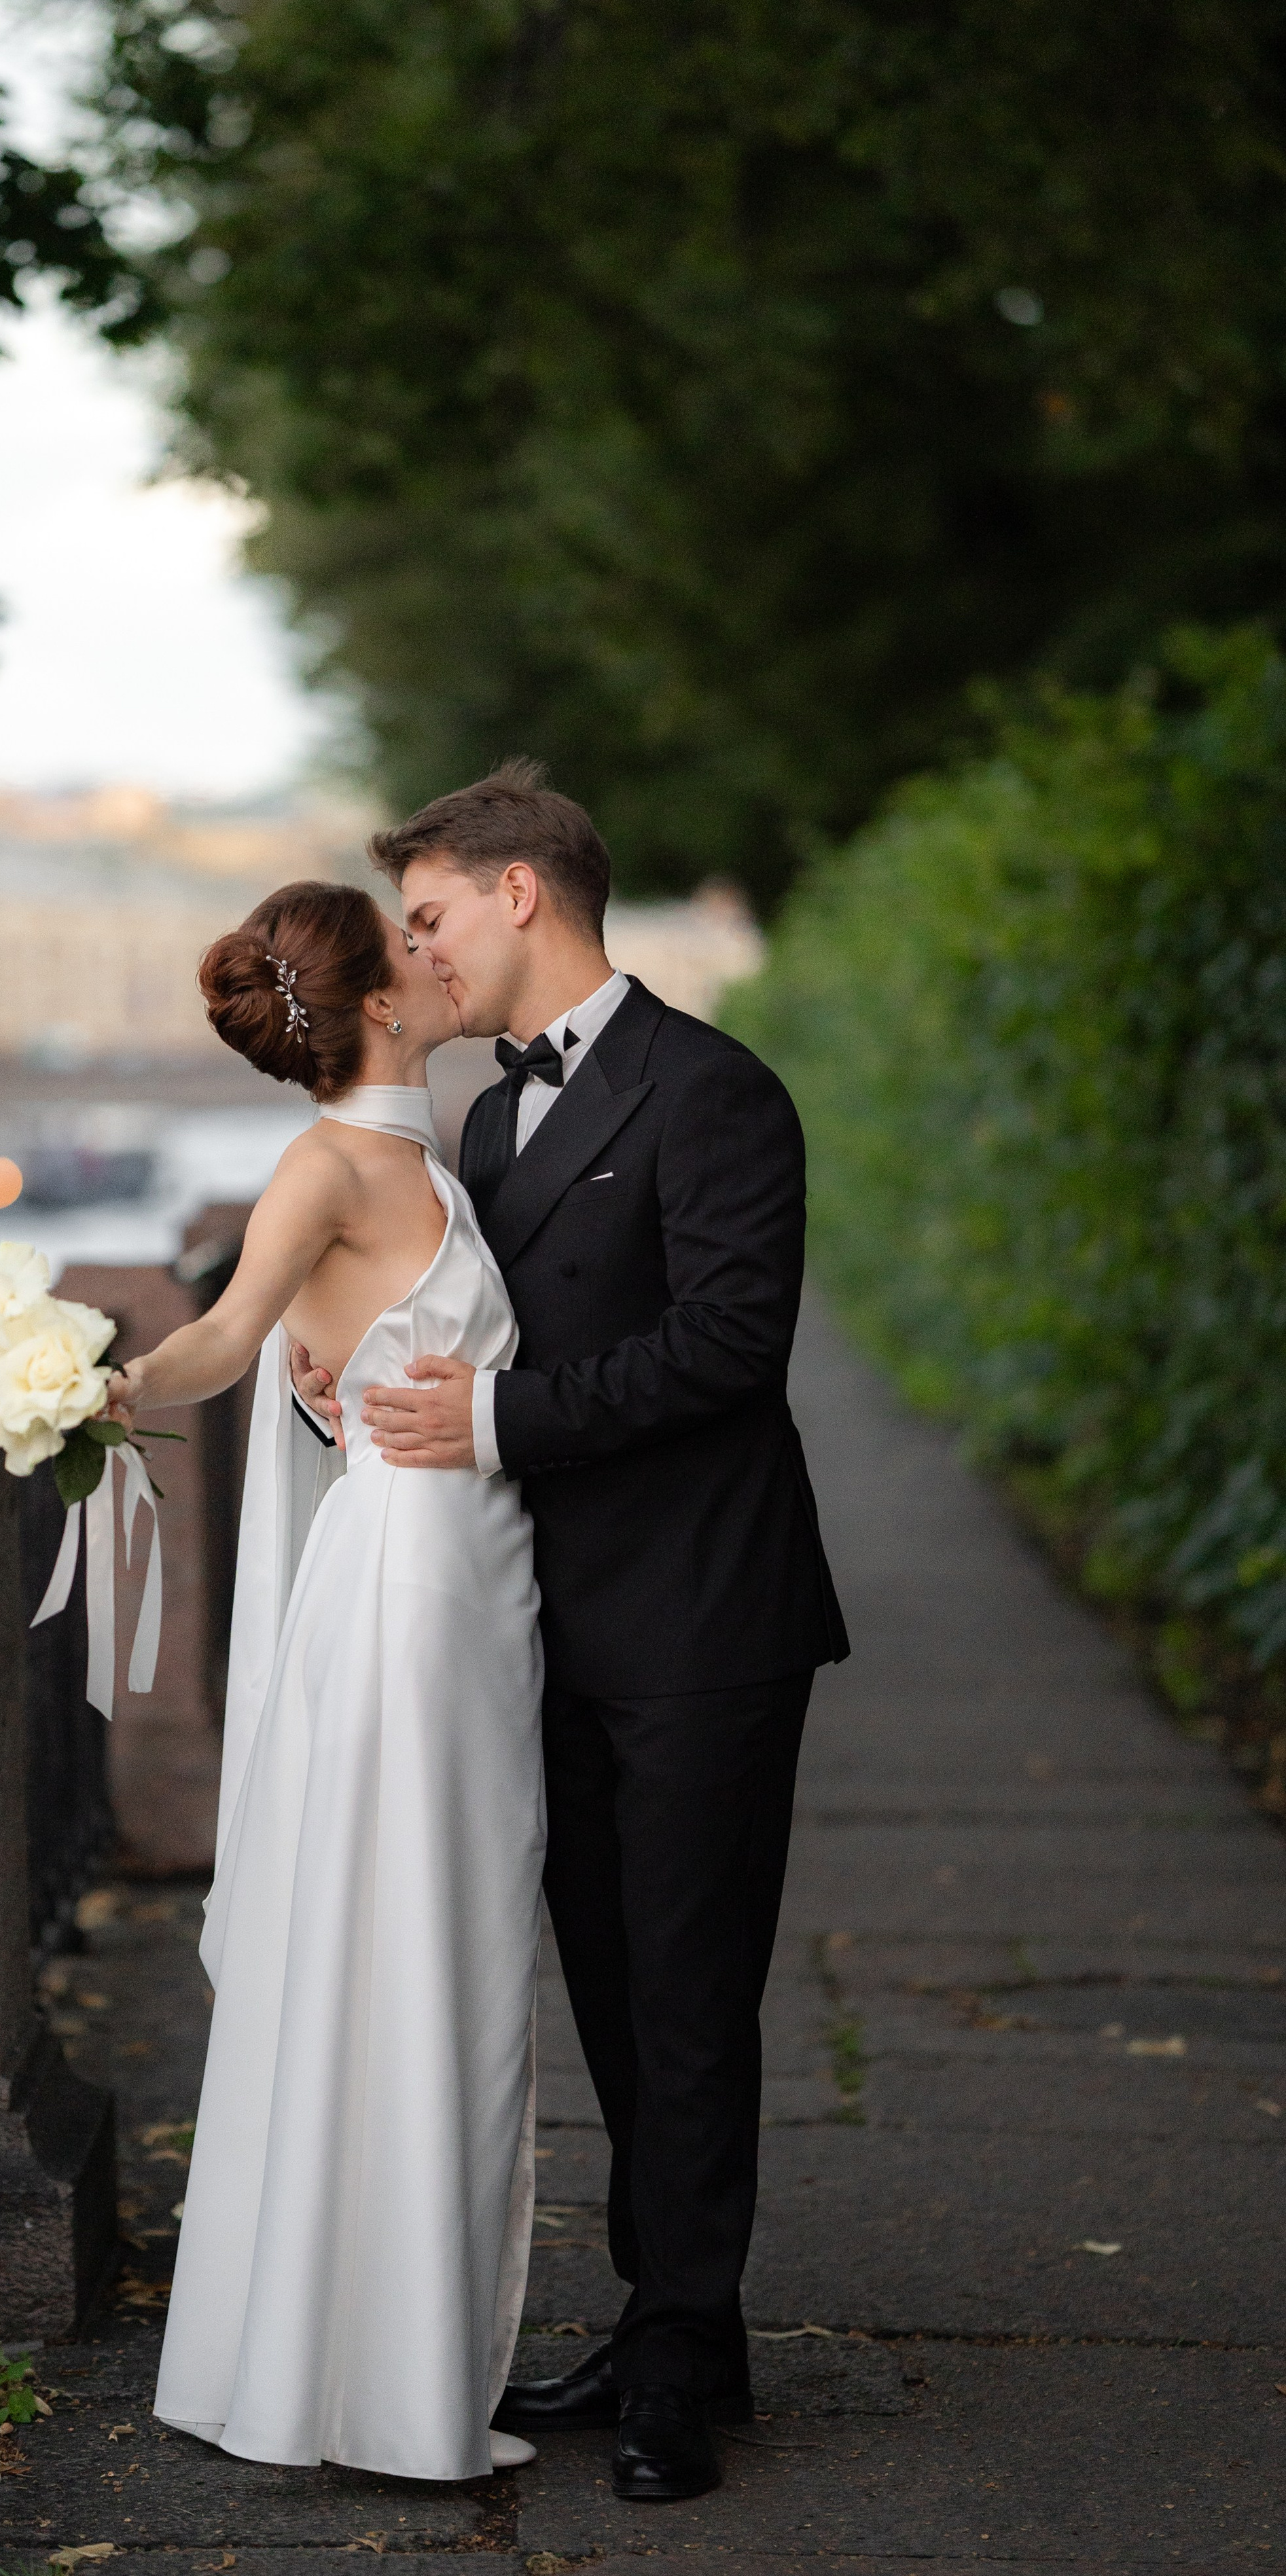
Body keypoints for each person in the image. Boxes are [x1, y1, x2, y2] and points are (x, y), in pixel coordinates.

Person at [293, 762, 848, 2503]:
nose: (424, 955)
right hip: (537, 1628)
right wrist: (351, 1398)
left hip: (701, 1620)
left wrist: (497, 1420)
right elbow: (449, 1340)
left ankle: (686, 2354)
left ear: (521, 894)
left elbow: (729, 1347)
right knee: (606, 1985)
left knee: (687, 1996)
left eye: (436, 915)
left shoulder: (717, 1091)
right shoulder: (478, 1126)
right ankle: (667, 2316)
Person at [106, 879, 547, 2484]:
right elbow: (225, 1332)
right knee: (416, 1949)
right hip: (411, 1589)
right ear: (374, 1001)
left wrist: (333, 1379)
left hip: (471, 1578)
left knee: (458, 1949)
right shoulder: (331, 1163)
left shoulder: (433, 1153)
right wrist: (95, 1383)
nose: (438, 959)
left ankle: (389, 2361)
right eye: (411, 945)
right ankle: (375, 2387)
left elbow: (348, 1357)